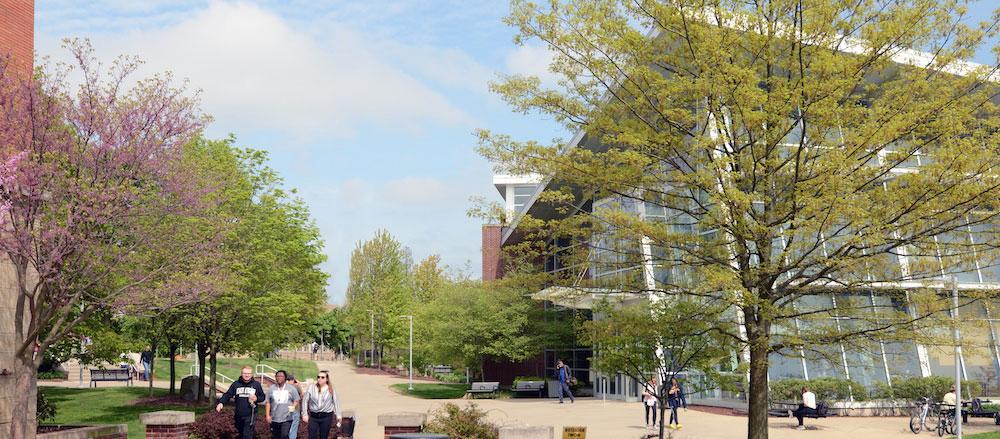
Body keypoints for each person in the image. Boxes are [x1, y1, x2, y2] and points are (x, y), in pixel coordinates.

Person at [216, 366, 267, 439]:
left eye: (249, 373)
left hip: (250, 414)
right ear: (241, 374)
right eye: (245, 373)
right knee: (240, 434)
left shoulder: (256, 384)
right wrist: (221, 403)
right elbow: (228, 394)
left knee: (247, 435)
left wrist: (256, 398)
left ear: (251, 374)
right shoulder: (236, 384)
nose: (247, 375)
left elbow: (262, 397)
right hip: (238, 414)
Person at [301, 370, 340, 439]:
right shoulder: (311, 387)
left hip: (326, 416)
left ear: (327, 379)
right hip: (313, 416)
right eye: (318, 377)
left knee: (323, 436)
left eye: (322, 377)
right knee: (312, 436)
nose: (320, 379)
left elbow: (336, 402)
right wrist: (304, 414)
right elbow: (305, 400)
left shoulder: (331, 389)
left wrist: (338, 415)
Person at [266, 370, 300, 439]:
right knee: (275, 436)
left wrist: (293, 407)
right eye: (277, 376)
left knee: (284, 435)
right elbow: (267, 402)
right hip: (274, 418)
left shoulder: (291, 388)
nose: (279, 378)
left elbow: (296, 400)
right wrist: (267, 415)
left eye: (281, 376)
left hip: (286, 418)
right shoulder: (271, 388)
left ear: (285, 378)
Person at [287, 373, 304, 439]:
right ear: (293, 380)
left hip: (286, 410)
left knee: (286, 428)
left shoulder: (284, 386)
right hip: (295, 409)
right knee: (293, 428)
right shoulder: (296, 386)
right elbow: (302, 395)